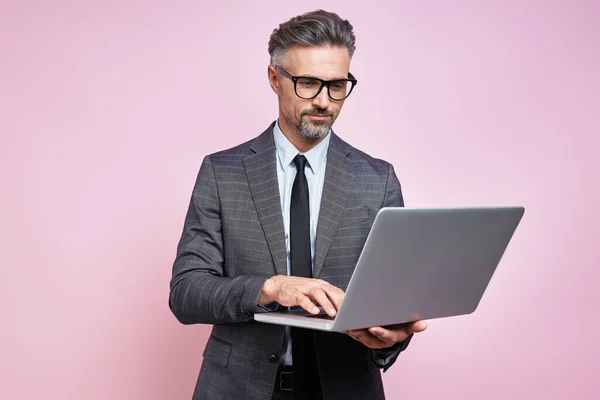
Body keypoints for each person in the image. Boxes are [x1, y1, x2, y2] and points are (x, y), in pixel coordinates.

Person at [169, 9, 427, 400]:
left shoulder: (378, 179)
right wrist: (270, 288)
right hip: (238, 388)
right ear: (275, 79)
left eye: (337, 85)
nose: (324, 101)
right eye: (308, 83)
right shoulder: (222, 173)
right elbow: (187, 292)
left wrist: (391, 337)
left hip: (344, 387)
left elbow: (393, 299)